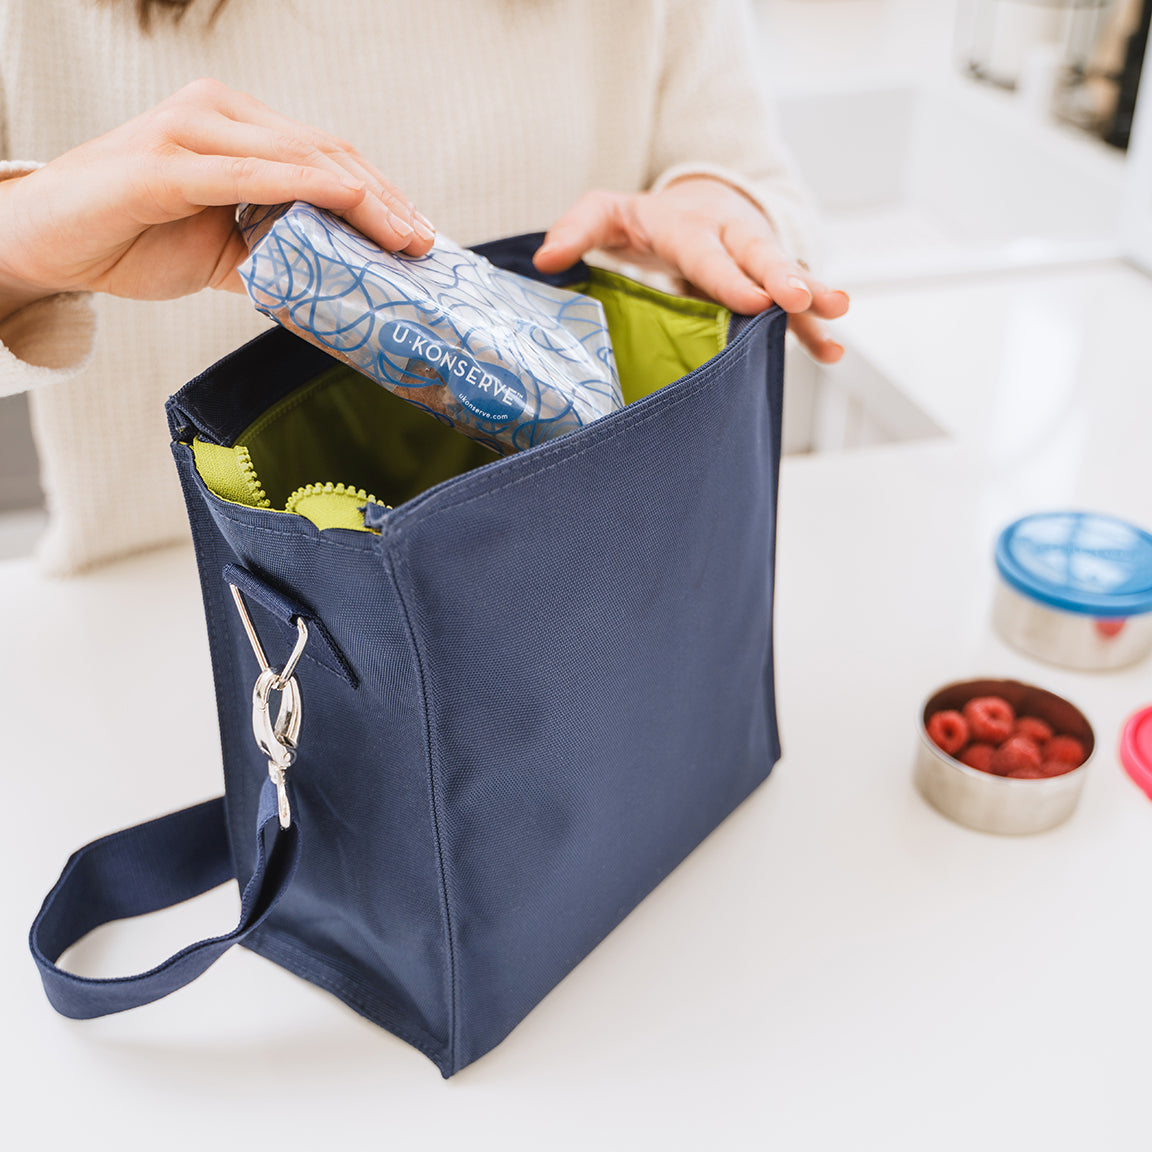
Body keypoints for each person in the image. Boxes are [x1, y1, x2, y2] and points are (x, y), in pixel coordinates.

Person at [0, 0, 848, 574]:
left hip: (576, 574)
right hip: (164, 611)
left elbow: (752, 174)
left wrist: (721, 206)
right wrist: (22, 243)